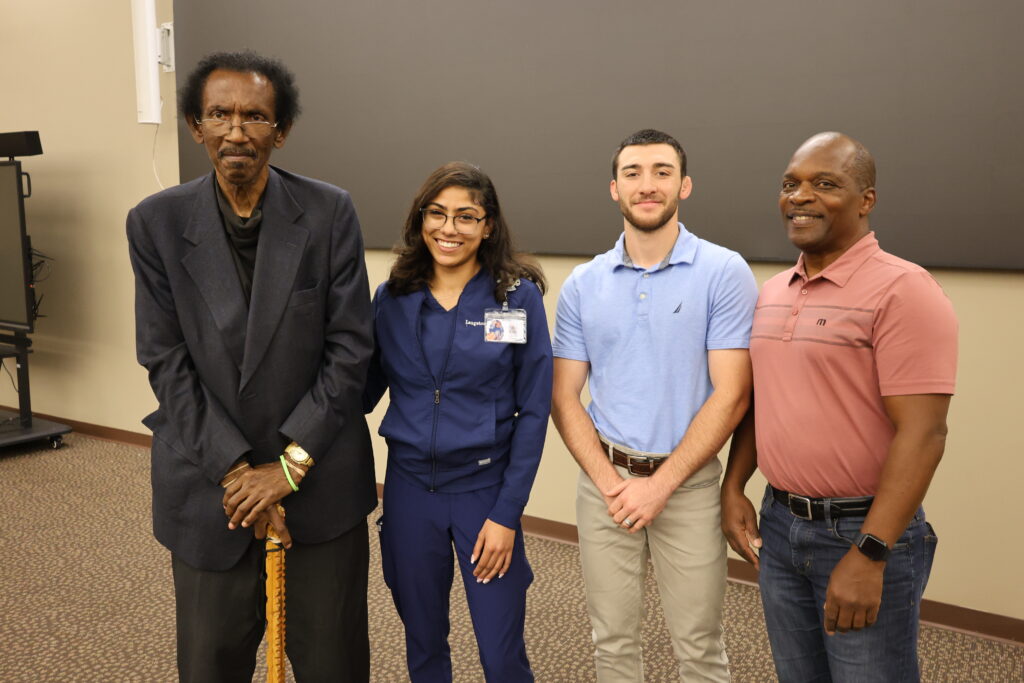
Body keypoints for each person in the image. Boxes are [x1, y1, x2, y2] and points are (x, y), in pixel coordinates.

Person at [127, 51, 376, 682]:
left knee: (333, 666)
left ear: (280, 130)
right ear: (195, 126)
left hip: (318, 489)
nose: (236, 130)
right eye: (219, 114)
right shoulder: (155, 223)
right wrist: (241, 474)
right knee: (211, 666)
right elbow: (164, 358)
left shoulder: (328, 212)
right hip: (213, 491)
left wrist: (286, 470)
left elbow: (352, 350)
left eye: (254, 116)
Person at [721, 132, 958, 683]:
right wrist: (735, 487)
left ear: (865, 200)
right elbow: (765, 402)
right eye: (790, 185)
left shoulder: (905, 290)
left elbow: (924, 434)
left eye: (825, 184)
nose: (800, 196)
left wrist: (871, 551)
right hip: (780, 530)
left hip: (860, 533)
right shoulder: (775, 291)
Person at [551, 129, 758, 682]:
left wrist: (659, 485)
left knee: (700, 645)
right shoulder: (582, 284)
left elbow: (732, 393)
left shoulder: (724, 272)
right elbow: (563, 396)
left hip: (687, 487)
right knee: (612, 642)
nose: (648, 185)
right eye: (634, 173)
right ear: (613, 188)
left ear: (684, 186)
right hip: (606, 487)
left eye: (662, 172)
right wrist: (611, 482)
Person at [364, 162, 552, 682]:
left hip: (485, 493)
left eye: (466, 217)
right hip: (409, 494)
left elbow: (534, 411)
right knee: (423, 644)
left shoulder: (514, 299)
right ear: (420, 219)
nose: (449, 229)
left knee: (500, 654)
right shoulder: (393, 299)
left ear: (488, 225)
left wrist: (507, 515)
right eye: (437, 214)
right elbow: (360, 391)